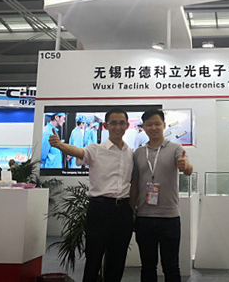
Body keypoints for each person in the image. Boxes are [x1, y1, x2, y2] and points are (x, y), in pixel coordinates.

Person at [49, 107, 133, 282]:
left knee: (118, 260)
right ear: (106, 126)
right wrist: (59, 145)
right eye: (113, 123)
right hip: (99, 210)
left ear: (127, 125)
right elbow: (78, 152)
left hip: (123, 211)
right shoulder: (96, 149)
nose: (118, 127)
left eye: (121, 123)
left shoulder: (130, 153)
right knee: (93, 259)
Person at [132, 108, 193, 282]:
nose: (153, 128)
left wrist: (185, 166)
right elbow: (135, 184)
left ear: (164, 125)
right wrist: (131, 211)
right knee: (147, 266)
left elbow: (188, 169)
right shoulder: (138, 153)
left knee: (171, 266)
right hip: (144, 218)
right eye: (149, 124)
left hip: (169, 218)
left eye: (157, 124)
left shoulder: (175, 148)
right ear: (144, 127)